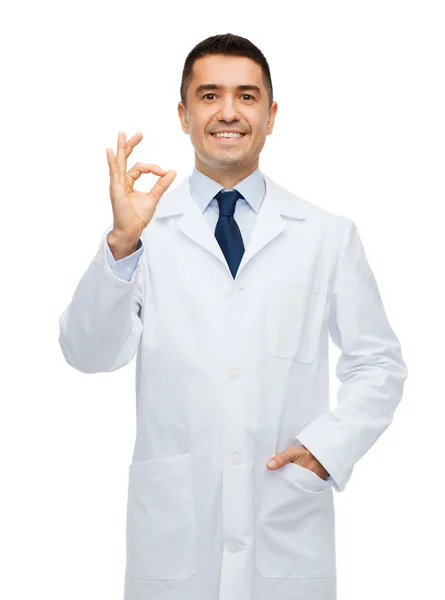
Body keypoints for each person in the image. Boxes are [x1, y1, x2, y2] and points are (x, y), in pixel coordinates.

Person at [58, 32, 408, 600]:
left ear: (271, 116)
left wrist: (327, 447)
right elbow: (87, 353)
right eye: (209, 95)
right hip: (175, 533)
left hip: (284, 523)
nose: (227, 112)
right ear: (183, 113)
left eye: (246, 97)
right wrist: (122, 241)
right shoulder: (147, 232)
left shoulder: (326, 235)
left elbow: (379, 364)